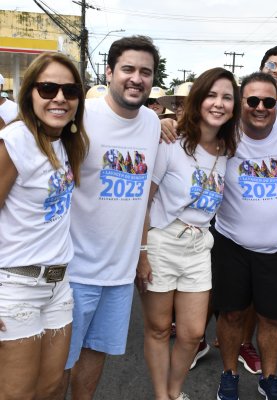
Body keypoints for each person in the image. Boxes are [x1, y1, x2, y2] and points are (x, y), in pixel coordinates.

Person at [60, 35, 161, 400]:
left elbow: (146, 196)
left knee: (96, 350)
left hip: (119, 274)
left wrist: (142, 252)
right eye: (128, 69)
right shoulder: (81, 117)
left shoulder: (153, 123)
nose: (136, 78)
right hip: (73, 270)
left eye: (145, 72)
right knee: (59, 363)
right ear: (109, 72)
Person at [137, 67, 241, 400]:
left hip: (199, 246)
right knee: (157, 328)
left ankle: (174, 390)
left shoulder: (227, 151)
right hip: (162, 241)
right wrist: (141, 253)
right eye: (211, 95)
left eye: (227, 97)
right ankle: (163, 396)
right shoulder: (171, 142)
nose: (218, 103)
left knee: (193, 331)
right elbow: (145, 200)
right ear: (197, 99)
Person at [0, 51, 89, 399]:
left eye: (69, 91)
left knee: (51, 388)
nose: (59, 98)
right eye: (48, 88)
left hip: (58, 286)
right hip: (15, 287)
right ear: (30, 93)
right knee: (17, 393)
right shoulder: (16, 142)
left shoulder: (66, 140)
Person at [214, 72, 277, 400]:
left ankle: (269, 378)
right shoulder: (224, 133)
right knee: (232, 313)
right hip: (231, 242)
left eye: (269, 101)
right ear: (241, 103)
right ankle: (229, 374)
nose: (261, 107)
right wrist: (166, 123)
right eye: (253, 101)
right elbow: (185, 130)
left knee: (272, 317)